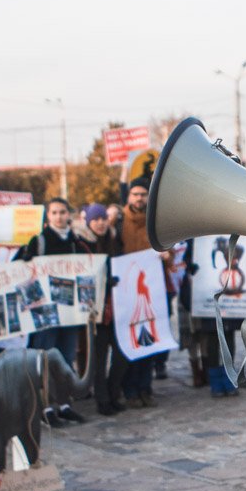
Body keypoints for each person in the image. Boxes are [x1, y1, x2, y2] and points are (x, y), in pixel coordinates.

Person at [16, 197, 91, 425]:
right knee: (45, 359)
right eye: (55, 213)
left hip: (69, 312)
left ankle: (64, 403)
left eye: (63, 212)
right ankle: (44, 407)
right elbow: (19, 269)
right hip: (46, 315)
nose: (59, 216)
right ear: (48, 216)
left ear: (69, 214)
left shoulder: (76, 241)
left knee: (66, 358)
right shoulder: (39, 241)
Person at [119, 177, 173, 407]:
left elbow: (168, 251)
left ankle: (145, 387)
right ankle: (129, 389)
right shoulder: (119, 221)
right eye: (135, 195)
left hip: (153, 289)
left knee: (150, 338)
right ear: (129, 197)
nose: (139, 199)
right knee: (131, 339)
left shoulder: (156, 221)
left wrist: (166, 256)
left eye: (143, 194)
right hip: (126, 289)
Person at [81, 204, 124, 416]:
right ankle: (103, 399)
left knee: (121, 355)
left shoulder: (115, 241)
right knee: (99, 359)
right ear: (89, 221)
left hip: (116, 308)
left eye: (103, 219)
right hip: (95, 313)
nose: (100, 223)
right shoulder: (83, 245)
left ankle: (114, 392)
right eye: (96, 219)